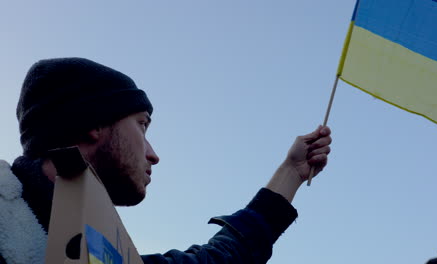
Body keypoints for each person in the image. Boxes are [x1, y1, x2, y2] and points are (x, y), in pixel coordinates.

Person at [0, 58, 332, 264]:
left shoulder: (105, 254)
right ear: (94, 123)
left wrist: (291, 172)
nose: (153, 154)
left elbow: (217, 260)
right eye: (142, 125)